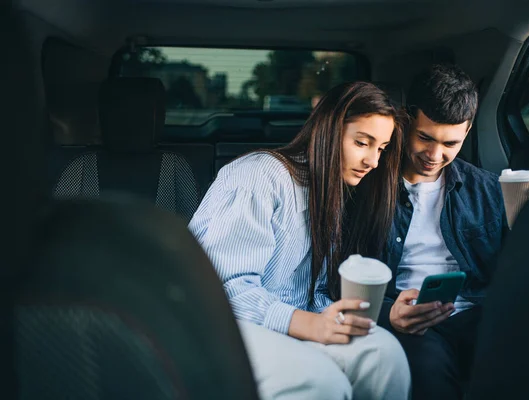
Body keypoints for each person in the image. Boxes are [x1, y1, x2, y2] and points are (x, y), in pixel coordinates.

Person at [189, 81, 411, 400]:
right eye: (363, 143)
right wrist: (304, 323)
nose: (373, 162)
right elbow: (218, 287)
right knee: (320, 383)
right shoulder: (258, 177)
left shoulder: (332, 194)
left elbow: (312, 293)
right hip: (224, 327)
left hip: (289, 326)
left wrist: (349, 317)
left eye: (381, 148)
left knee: (384, 355)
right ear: (329, 130)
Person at [377, 64, 509, 400]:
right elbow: (336, 277)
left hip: (476, 313)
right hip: (406, 318)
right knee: (427, 377)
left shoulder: (487, 189)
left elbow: (514, 266)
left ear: (466, 134)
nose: (435, 155)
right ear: (405, 121)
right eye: (425, 137)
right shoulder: (368, 186)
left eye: (450, 143)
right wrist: (387, 313)